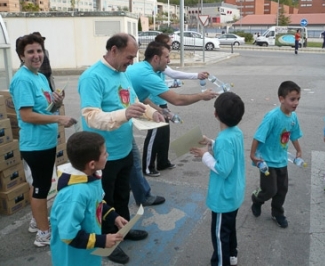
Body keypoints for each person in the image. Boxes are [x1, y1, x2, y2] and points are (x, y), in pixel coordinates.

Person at [78, 33, 163, 264]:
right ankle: (108, 242)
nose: (131, 62)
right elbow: (91, 116)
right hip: (102, 156)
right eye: (129, 57)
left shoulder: (121, 74)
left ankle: (123, 231)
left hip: (123, 149)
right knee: (105, 202)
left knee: (122, 195)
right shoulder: (92, 77)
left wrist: (151, 113)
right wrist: (123, 114)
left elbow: (134, 102)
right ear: (113, 50)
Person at [10, 33, 77, 247]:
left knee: (39, 185)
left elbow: (44, 108)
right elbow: (27, 115)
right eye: (30, 52)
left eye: (39, 51)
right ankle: (43, 233)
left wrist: (57, 102)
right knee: (40, 187)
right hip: (35, 144)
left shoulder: (39, 76)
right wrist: (59, 117)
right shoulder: (22, 79)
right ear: (21, 56)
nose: (36, 55)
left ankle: (36, 221)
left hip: (46, 142)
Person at [126, 41, 218, 177]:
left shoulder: (148, 69)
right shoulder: (147, 75)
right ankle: (145, 170)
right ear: (156, 58)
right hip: (120, 112)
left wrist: (160, 110)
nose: (169, 61)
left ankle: (141, 182)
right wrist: (201, 96)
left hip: (128, 108)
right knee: (128, 154)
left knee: (129, 157)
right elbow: (177, 100)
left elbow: (142, 97)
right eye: (167, 57)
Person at [50, 131, 127, 266]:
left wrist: (113, 216)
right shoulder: (74, 195)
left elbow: (97, 202)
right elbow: (69, 235)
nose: (107, 155)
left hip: (87, 251)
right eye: (104, 153)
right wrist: (102, 241)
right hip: (73, 259)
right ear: (92, 164)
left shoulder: (91, 177)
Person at [190, 92, 245, 266]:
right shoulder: (236, 133)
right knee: (229, 229)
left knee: (220, 235)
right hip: (234, 194)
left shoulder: (224, 139)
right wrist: (212, 143)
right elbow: (228, 152)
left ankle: (221, 262)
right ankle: (232, 255)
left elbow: (223, 169)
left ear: (216, 114)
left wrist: (205, 155)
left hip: (223, 197)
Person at [250, 81, 303, 228]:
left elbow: (293, 135)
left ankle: (277, 212)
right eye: (292, 99)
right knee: (270, 190)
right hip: (266, 161)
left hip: (282, 160)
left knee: (282, 189)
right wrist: (253, 155)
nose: (296, 103)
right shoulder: (272, 117)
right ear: (281, 99)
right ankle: (257, 199)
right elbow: (258, 136)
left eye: (298, 99)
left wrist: (298, 150)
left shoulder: (293, 117)